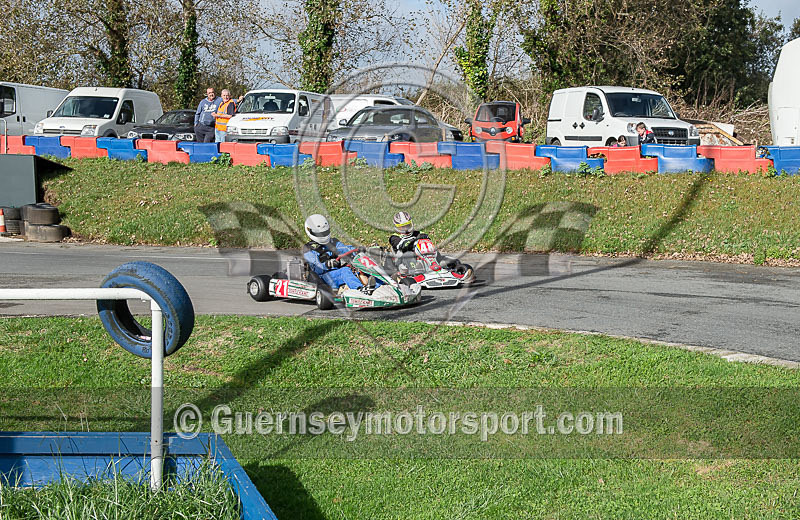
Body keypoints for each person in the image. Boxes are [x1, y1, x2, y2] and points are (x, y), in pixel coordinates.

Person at [302, 214, 370, 294]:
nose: (323, 236)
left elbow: (345, 249)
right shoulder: (309, 249)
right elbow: (316, 268)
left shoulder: (333, 242)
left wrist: (360, 250)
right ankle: (360, 290)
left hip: (338, 272)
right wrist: (328, 265)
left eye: (325, 232)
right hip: (324, 278)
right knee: (344, 271)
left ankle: (379, 287)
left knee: (363, 269)